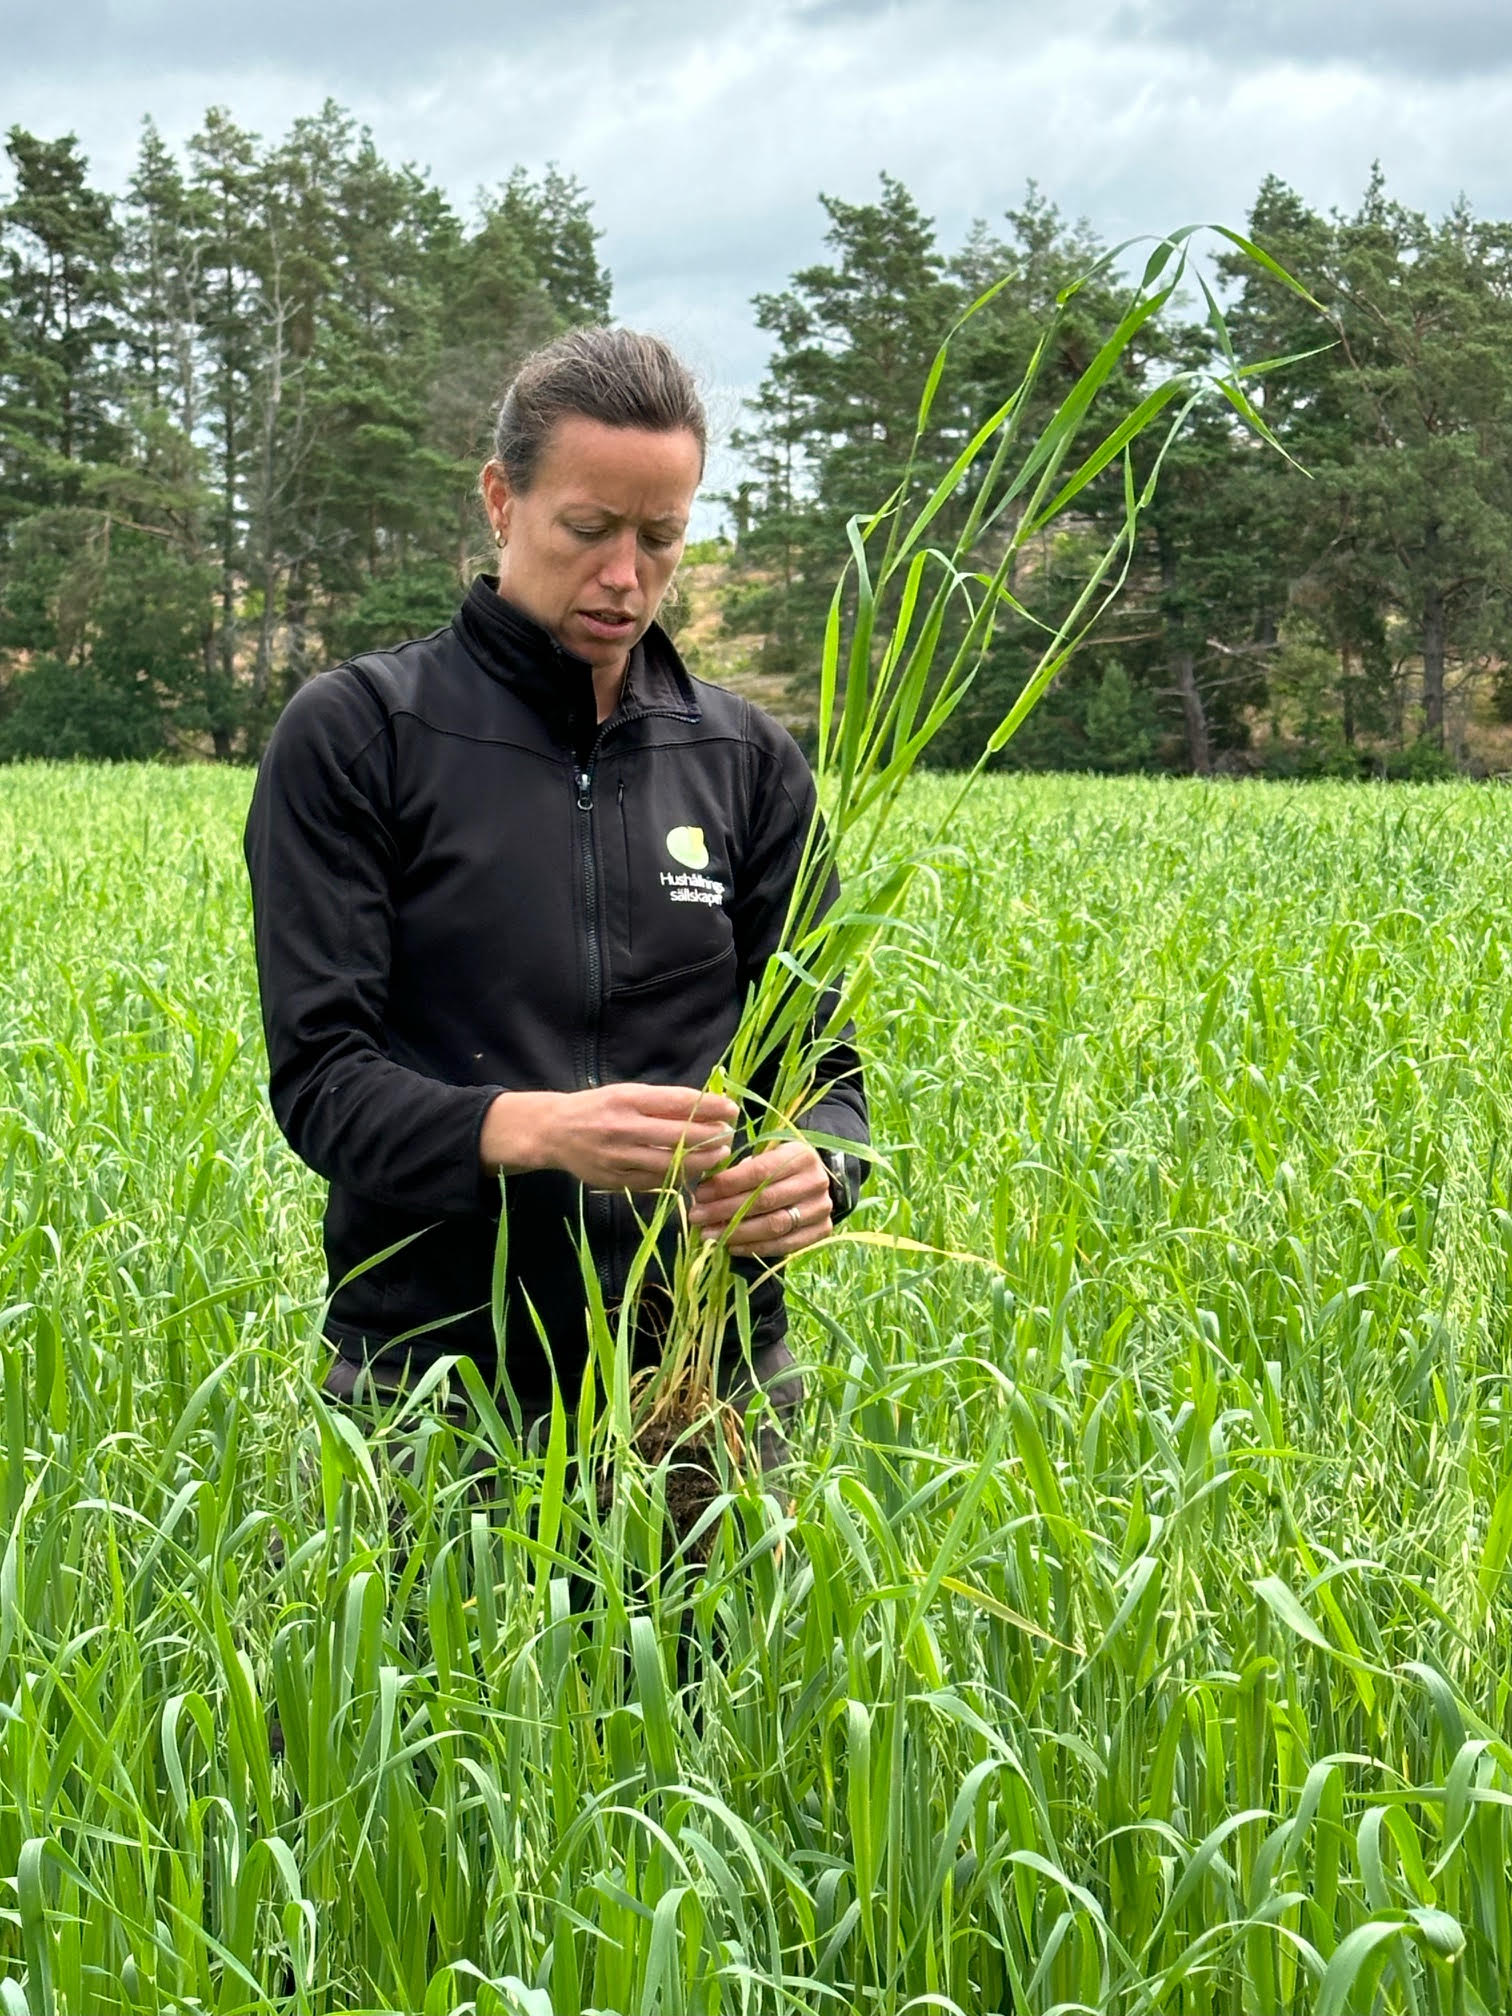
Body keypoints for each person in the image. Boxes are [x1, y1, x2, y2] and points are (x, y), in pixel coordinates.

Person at [243, 327, 867, 1466]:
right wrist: (539, 1131)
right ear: (500, 498)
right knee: (434, 1655)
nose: (626, 577)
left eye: (662, 537)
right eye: (588, 530)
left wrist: (817, 1172)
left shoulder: (747, 760)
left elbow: (824, 1073)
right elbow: (322, 1083)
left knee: (725, 1655)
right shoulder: (364, 736)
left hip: (709, 1386)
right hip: (434, 1385)